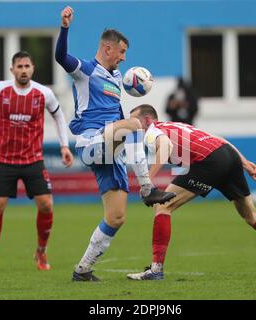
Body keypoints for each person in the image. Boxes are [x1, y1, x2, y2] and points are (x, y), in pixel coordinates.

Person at [55, 6, 176, 281]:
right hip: (92, 142)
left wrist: (130, 122)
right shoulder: (85, 70)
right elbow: (60, 56)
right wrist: (64, 27)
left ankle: (82, 270)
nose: (123, 58)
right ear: (107, 48)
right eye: (121, 52)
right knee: (133, 126)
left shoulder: (117, 78)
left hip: (111, 150)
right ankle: (147, 188)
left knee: (117, 216)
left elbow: (116, 115)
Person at [126, 104, 256, 280]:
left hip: (209, 162)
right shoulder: (176, 125)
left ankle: (156, 270)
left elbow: (165, 147)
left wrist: (146, 183)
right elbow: (220, 139)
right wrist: (244, 163)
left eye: (134, 121)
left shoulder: (151, 132)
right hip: (228, 155)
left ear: (148, 120)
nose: (132, 126)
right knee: (252, 216)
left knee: (163, 207)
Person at [0, 51, 74, 272]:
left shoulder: (44, 93)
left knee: (46, 204)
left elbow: (59, 115)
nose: (23, 70)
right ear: (12, 70)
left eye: (27, 66)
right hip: (4, 160)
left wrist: (64, 145)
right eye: (19, 66)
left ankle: (41, 251)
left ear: (33, 69)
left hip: (33, 159)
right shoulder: (0, 89)